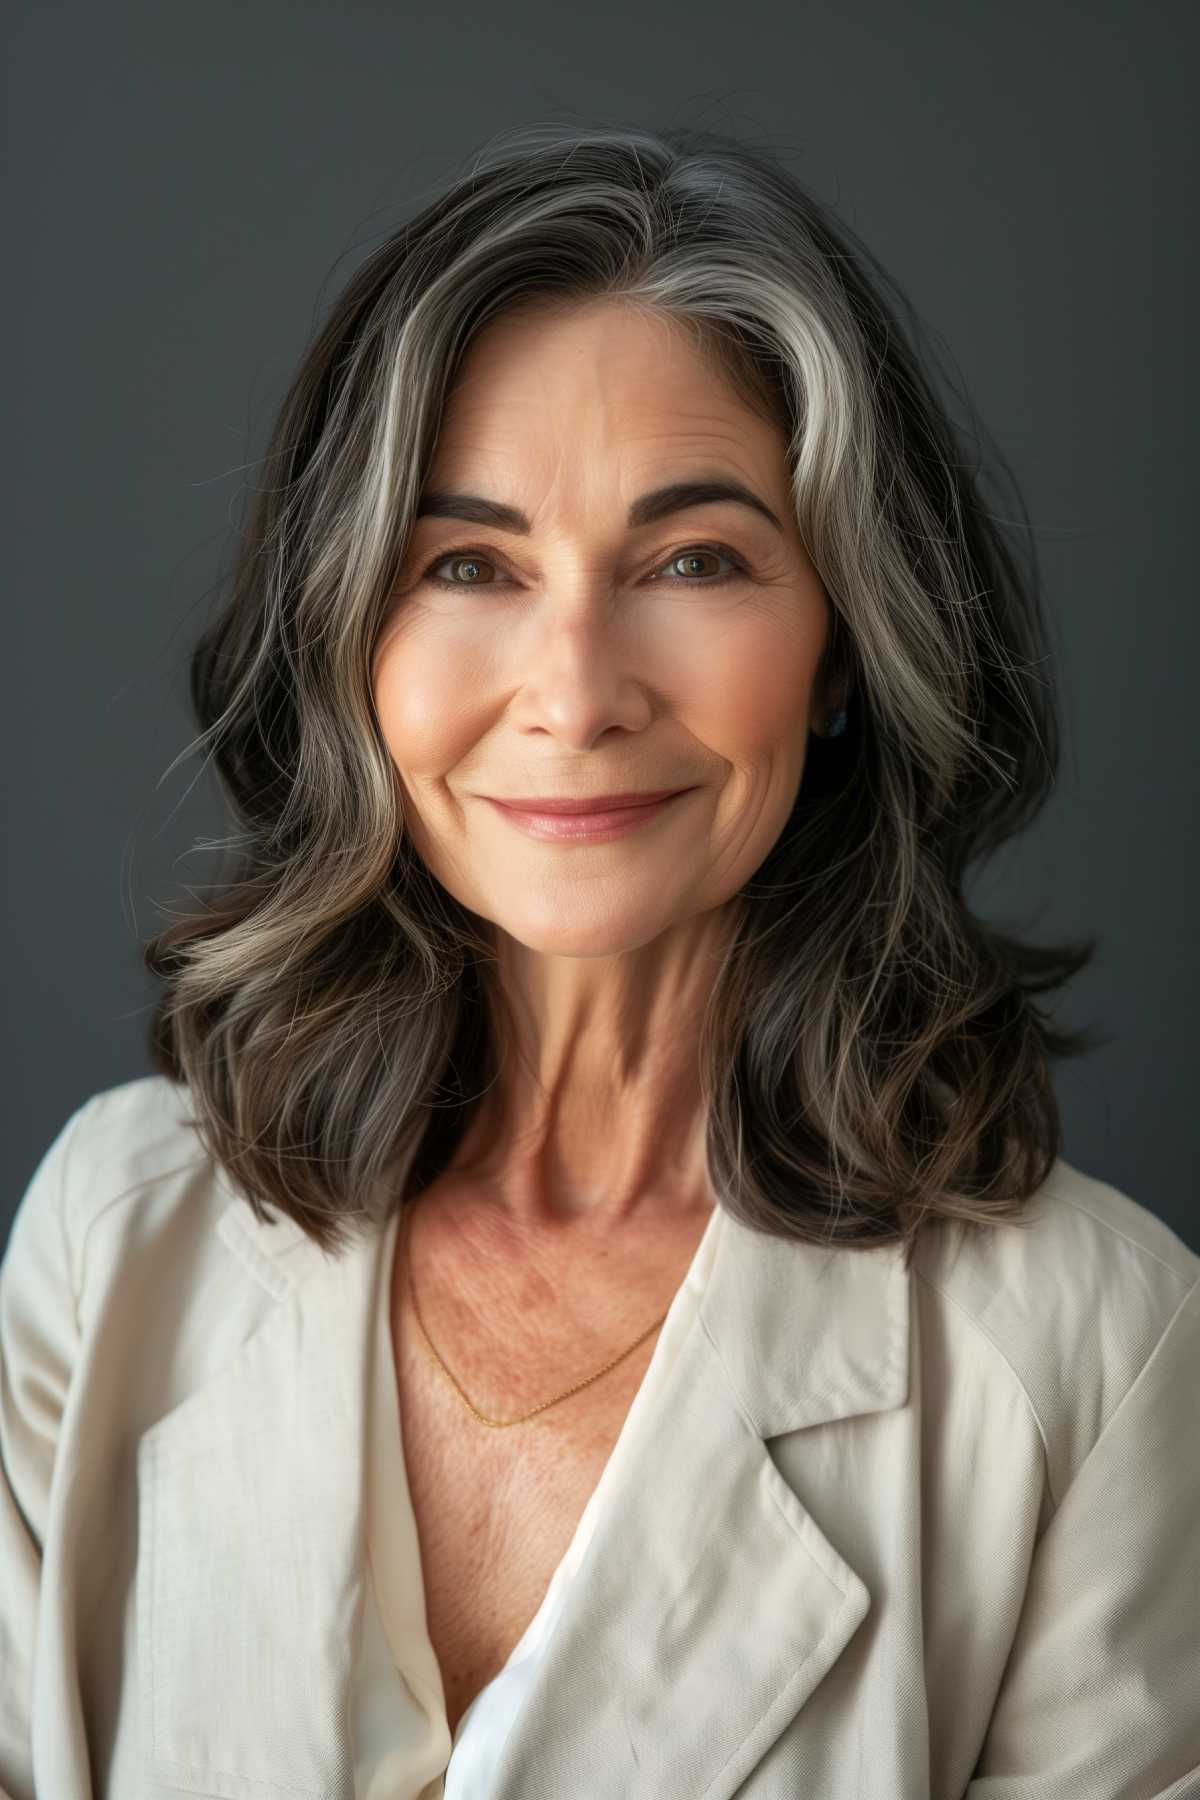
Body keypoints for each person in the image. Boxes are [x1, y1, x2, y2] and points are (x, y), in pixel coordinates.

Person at [2, 120, 1197, 1800]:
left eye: (694, 561)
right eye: (468, 565)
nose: (575, 690)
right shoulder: (109, 1242)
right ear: (355, 641)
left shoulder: (1096, 1351)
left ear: (845, 643)